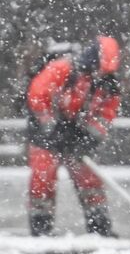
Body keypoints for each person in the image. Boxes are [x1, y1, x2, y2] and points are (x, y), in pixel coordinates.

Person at [25, 36, 122, 238]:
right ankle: (40, 227)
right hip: (46, 131)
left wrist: (88, 138)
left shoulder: (108, 85)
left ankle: (99, 225)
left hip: (77, 134)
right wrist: (51, 125)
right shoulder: (63, 69)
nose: (98, 75)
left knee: (89, 179)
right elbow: (37, 95)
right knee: (43, 176)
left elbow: (105, 116)